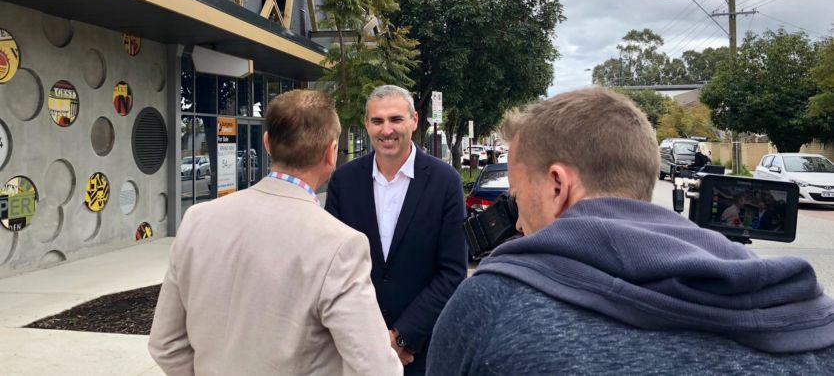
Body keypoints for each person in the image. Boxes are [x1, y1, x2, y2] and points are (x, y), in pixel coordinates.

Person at [427, 87, 834, 375]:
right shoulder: (805, 318)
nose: (516, 222)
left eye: (517, 197)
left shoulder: (491, 306)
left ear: (557, 185)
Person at [149, 90, 401, 376]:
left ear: (267, 143)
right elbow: (376, 368)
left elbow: (165, 343)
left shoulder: (197, 219)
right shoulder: (340, 245)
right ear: (331, 153)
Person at [326, 85, 467, 375]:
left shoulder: (445, 182)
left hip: (421, 353)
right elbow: (332, 266)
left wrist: (401, 336)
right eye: (377, 121)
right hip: (355, 351)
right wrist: (371, 339)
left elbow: (452, 271)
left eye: (396, 119)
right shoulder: (344, 181)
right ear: (366, 124)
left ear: (414, 121)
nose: (386, 130)